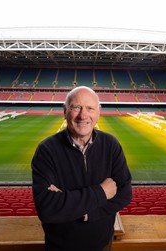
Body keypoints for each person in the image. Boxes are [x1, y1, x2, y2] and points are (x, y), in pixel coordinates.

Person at [31, 86, 132, 251]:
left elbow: (124, 194)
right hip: (60, 247)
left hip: (102, 245)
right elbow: (47, 208)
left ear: (98, 112)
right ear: (65, 110)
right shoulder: (46, 150)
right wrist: (101, 192)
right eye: (76, 107)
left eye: (90, 108)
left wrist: (80, 211)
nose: (83, 115)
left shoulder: (111, 145)